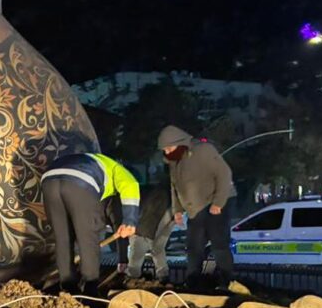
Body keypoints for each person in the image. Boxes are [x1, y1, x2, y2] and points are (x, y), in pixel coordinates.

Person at [42, 153, 139, 297]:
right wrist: (130, 221)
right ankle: (90, 290)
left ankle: (68, 288)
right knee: (87, 239)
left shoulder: (98, 163)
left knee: (62, 239)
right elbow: (131, 185)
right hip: (81, 181)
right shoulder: (119, 170)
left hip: (49, 179)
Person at [157, 125, 235, 288]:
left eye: (169, 148)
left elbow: (224, 174)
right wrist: (177, 210)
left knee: (219, 244)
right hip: (195, 209)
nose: (167, 152)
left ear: (180, 143)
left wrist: (218, 203)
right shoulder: (173, 161)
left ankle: (226, 281)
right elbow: (175, 187)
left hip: (215, 203)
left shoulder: (204, 150)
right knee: (193, 246)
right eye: (165, 150)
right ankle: (193, 281)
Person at [125, 183, 174, 282]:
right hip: (166, 210)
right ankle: (163, 277)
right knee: (157, 247)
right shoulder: (166, 190)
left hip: (145, 225)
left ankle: (133, 278)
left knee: (138, 250)